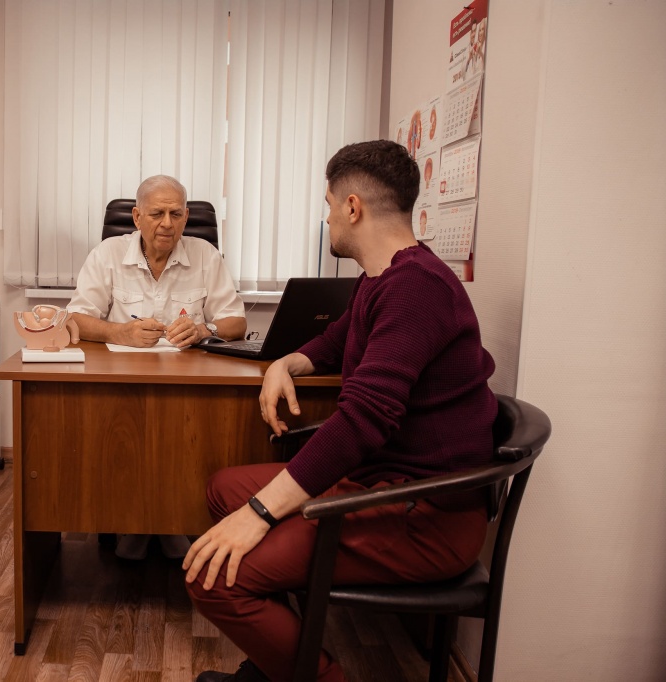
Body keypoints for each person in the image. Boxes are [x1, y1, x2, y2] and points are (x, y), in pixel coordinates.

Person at [183, 140, 497, 682]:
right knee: (224, 489)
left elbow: (362, 421)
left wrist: (260, 516)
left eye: (328, 205)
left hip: (425, 515)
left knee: (211, 577)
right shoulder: (383, 278)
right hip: (384, 486)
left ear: (352, 207)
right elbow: (333, 343)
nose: (326, 217)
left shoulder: (416, 287)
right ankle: (282, 663)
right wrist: (284, 363)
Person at [67, 174, 247, 560]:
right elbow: (76, 318)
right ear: (136, 217)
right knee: (127, 439)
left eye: (176, 214)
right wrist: (120, 332)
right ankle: (135, 520)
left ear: (187, 217)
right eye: (157, 213)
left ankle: (173, 521)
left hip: (189, 386)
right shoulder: (107, 254)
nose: (167, 223)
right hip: (122, 385)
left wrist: (204, 330)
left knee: (191, 439)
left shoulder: (205, 256)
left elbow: (236, 323)